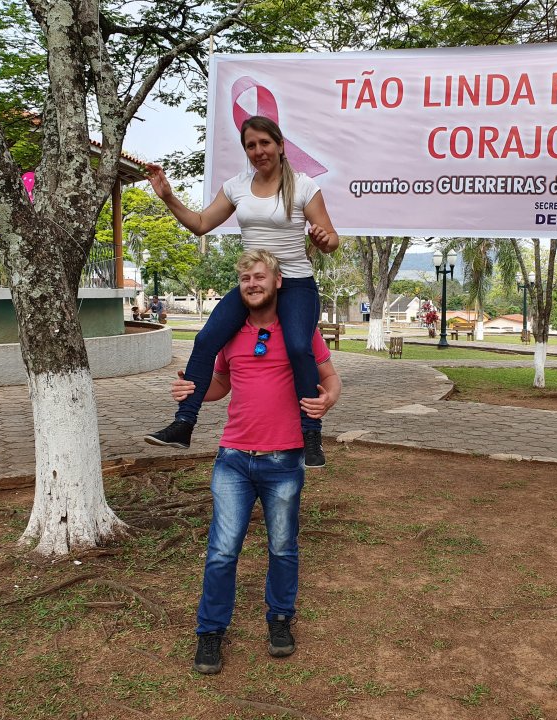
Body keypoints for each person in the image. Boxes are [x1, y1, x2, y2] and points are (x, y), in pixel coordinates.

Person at [172, 250, 341, 675]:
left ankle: (280, 620)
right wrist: (191, 393)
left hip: (284, 460)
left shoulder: (299, 330)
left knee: (282, 548)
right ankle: (210, 632)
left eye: (259, 276)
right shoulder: (230, 334)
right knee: (221, 552)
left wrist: (327, 401)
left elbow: (330, 378)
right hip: (233, 460)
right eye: (245, 277)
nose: (252, 283)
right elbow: (223, 384)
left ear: (278, 281)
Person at [143, 115, 340, 468]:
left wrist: (323, 238)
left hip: (294, 282)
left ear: (280, 146)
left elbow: (330, 237)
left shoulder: (304, 186)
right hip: (254, 283)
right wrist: (169, 198)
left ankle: (311, 433)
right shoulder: (237, 186)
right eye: (251, 145)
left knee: (298, 346)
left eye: (265, 143)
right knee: (205, 341)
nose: (258, 151)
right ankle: (184, 423)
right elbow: (202, 224)